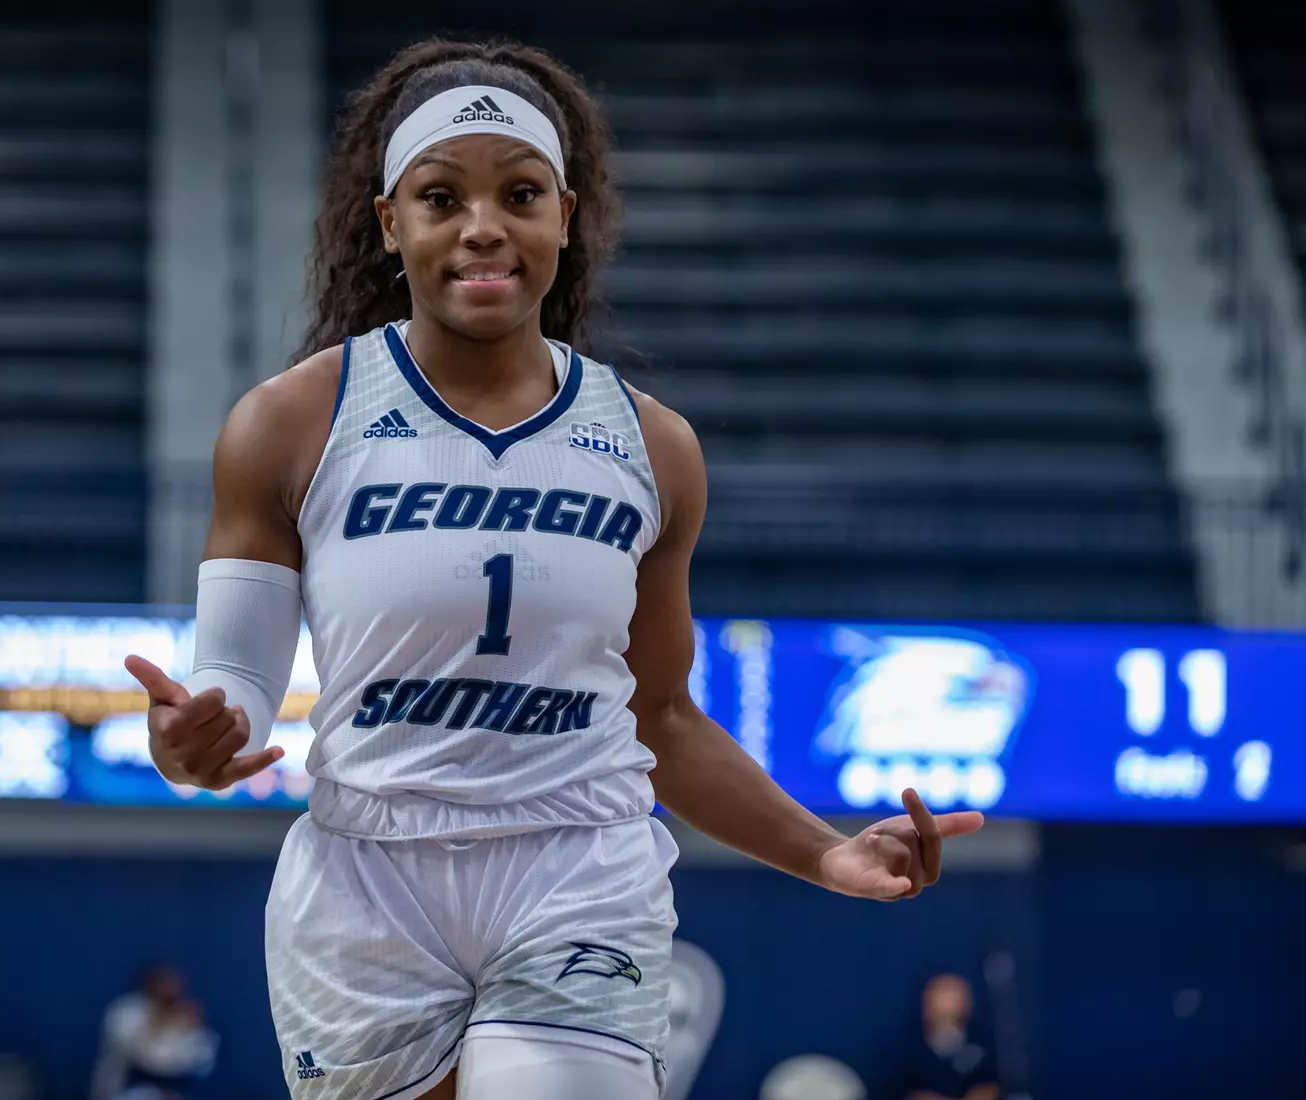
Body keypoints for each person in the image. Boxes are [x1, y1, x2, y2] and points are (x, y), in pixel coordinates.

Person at [126, 39, 985, 1100]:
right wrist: (194, 740)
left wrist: (826, 853)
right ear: (391, 223)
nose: (483, 225)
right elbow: (234, 690)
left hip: (578, 866)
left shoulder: (652, 445)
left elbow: (661, 717)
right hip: (366, 883)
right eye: (442, 197)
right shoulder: (288, 422)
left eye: (521, 194)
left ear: (565, 217)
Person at [90, 964, 221, 1100]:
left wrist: (188, 1029)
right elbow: (142, 1057)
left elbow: (202, 1063)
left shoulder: (188, 1022)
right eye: (163, 984)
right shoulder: (126, 1012)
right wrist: (160, 1024)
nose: (169, 991)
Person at [904, 974, 1000, 1100]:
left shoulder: (983, 1039)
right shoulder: (908, 1046)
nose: (951, 1003)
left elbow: (994, 1083)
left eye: (957, 994)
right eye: (944, 993)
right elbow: (901, 1088)